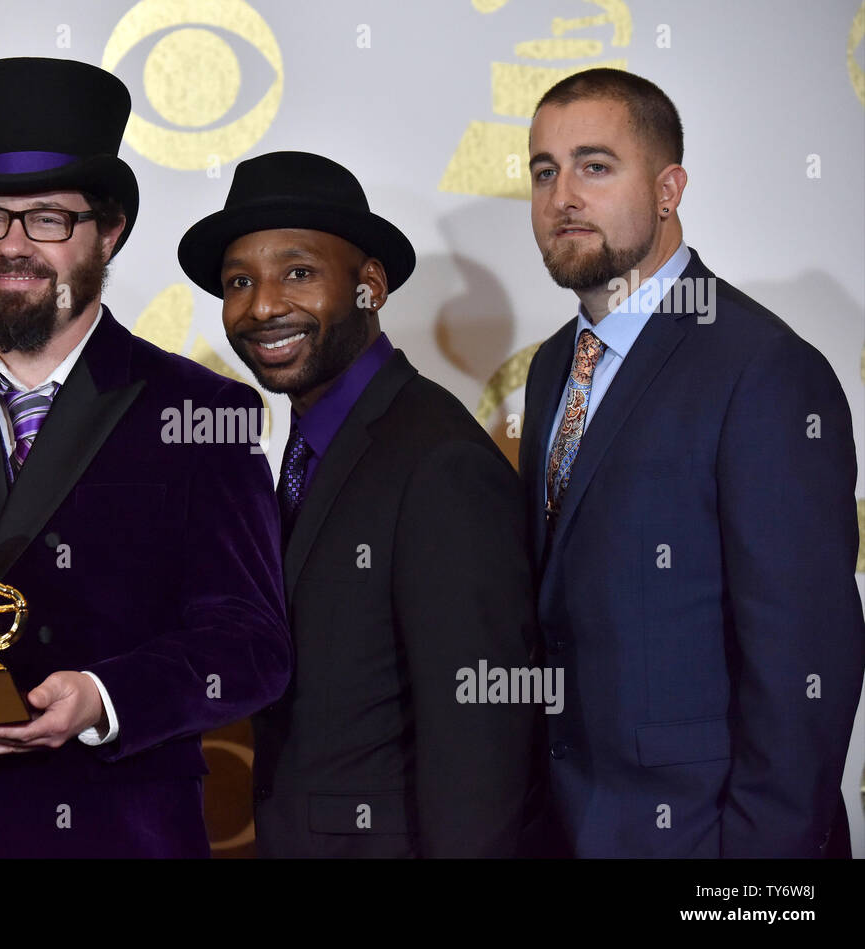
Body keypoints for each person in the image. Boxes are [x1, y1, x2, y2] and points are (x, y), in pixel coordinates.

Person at [0, 57, 291, 858]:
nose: (12, 246)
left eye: (47, 219)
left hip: (123, 835)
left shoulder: (205, 415)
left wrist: (102, 697)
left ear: (109, 231)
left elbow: (250, 645)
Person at [520, 67, 865, 857]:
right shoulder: (551, 368)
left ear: (669, 187)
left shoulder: (764, 367)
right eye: (545, 170)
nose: (562, 195)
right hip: (566, 828)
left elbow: (804, 662)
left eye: (595, 166)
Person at [178, 151, 539, 857]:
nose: (263, 306)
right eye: (238, 282)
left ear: (369, 285)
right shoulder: (303, 443)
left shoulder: (440, 461)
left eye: (299, 272)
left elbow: (480, 747)